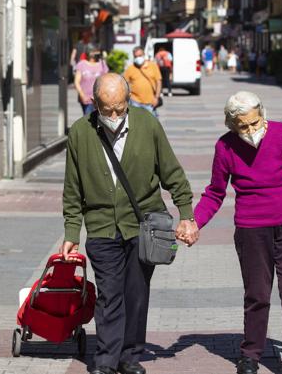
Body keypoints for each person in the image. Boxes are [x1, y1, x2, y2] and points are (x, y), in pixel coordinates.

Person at [60, 73, 198, 374]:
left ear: (129, 100)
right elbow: (73, 188)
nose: (113, 116)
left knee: (136, 294)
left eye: (120, 108)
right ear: (94, 103)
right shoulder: (81, 132)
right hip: (101, 226)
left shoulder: (147, 124)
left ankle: (129, 356)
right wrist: (72, 231)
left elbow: (172, 173)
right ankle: (106, 361)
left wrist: (186, 214)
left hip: (142, 224)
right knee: (110, 294)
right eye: (106, 109)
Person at [192, 91, 282, 374]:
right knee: (257, 293)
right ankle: (251, 354)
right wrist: (195, 222)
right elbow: (215, 192)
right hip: (251, 229)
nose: (250, 131)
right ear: (232, 125)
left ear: (262, 114)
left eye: (254, 123)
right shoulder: (225, 147)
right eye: (242, 126)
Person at [123, 46, 162, 114]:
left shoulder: (153, 66)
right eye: (136, 56)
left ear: (144, 55)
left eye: (140, 55)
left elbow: (158, 82)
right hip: (135, 102)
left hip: (151, 102)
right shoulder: (130, 68)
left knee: (151, 123)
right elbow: (124, 83)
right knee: (137, 123)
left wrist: (156, 97)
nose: (138, 58)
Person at [74, 45, 108, 115]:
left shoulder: (102, 64)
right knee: (88, 120)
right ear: (90, 53)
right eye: (95, 51)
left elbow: (107, 80)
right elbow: (76, 82)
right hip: (86, 98)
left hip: (100, 99)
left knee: (99, 121)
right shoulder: (82, 64)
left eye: (98, 51)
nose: (97, 53)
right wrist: (82, 95)